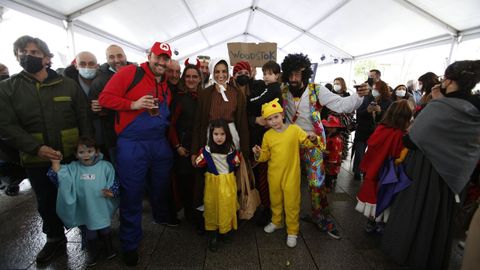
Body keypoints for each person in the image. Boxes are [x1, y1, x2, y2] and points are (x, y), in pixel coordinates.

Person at [0, 35, 92, 264]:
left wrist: (86, 145)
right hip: (35, 159)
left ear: (45, 57)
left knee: (78, 195)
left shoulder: (67, 84)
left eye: (33, 52)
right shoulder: (8, 88)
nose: (26, 57)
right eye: (22, 53)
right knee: (45, 200)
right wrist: (36, 148)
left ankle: (88, 236)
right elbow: (5, 125)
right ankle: (54, 239)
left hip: (71, 155)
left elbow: (83, 114)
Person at [381, 60, 480, 270]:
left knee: (416, 211)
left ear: (451, 81)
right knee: (440, 219)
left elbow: (412, 139)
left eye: (445, 78)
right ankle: (432, 256)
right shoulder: (473, 109)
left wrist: (433, 102)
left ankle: (407, 252)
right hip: (453, 176)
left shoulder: (441, 107)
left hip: (426, 171)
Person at [98, 41, 174, 266]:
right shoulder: (131, 72)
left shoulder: (166, 83)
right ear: (149, 55)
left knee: (161, 184)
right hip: (132, 144)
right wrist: (133, 104)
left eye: (165, 58)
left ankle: (160, 216)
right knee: (132, 194)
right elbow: (104, 99)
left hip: (158, 142)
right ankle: (130, 243)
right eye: (158, 57)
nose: (161, 62)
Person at [280, 53, 368, 239]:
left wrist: (358, 96)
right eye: (291, 75)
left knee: (316, 183)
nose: (294, 79)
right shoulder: (282, 91)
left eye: (298, 74)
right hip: (290, 143)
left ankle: (320, 217)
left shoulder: (317, 90)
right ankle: (285, 216)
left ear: (305, 73)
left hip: (312, 143)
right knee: (288, 182)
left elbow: (341, 104)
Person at [252, 98, 322, 248]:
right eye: (269, 119)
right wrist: (258, 153)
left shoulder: (294, 130)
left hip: (291, 175)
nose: (274, 121)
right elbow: (265, 156)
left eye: (276, 117)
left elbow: (308, 143)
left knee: (292, 203)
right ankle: (277, 222)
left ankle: (292, 230)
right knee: (275, 200)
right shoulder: (268, 136)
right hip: (274, 175)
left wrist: (313, 138)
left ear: (282, 115)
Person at [47, 136, 119, 267]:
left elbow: (113, 180)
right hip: (85, 207)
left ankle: (109, 248)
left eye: (89, 151)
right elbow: (62, 177)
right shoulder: (73, 168)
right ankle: (94, 252)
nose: (86, 155)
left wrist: (112, 191)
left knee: (104, 228)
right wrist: (55, 162)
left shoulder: (106, 166)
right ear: (76, 154)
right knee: (89, 230)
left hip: (101, 206)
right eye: (81, 152)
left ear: (96, 152)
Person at [355, 100, 412, 233]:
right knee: (385, 197)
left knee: (372, 197)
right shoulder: (400, 135)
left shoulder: (380, 128)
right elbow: (399, 155)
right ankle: (381, 224)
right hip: (389, 172)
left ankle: (370, 223)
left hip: (374, 169)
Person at [195, 119, 240, 252]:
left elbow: (236, 162)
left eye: (222, 134)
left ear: (227, 135)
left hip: (227, 183)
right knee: (212, 207)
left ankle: (224, 231)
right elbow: (199, 163)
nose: (219, 137)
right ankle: (213, 234)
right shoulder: (207, 150)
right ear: (211, 134)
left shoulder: (231, 149)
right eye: (216, 134)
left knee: (226, 207)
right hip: (213, 185)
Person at [247, 60, 283, 226]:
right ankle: (269, 208)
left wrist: (246, 100)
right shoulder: (270, 88)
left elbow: (255, 101)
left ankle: (269, 209)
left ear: (277, 75)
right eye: (264, 74)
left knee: (266, 174)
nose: (266, 77)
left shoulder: (273, 89)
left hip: (270, 139)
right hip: (269, 137)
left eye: (269, 73)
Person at [168, 62, 202, 225]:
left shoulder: (205, 96)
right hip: (184, 148)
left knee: (200, 182)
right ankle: (190, 215)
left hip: (201, 147)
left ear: (200, 78)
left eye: (194, 76)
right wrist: (177, 146)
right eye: (187, 76)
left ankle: (200, 213)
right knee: (186, 182)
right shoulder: (180, 99)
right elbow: (171, 124)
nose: (191, 79)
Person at [89, 44, 131, 165]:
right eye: (111, 57)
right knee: (121, 170)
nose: (117, 60)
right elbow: (92, 109)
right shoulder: (99, 81)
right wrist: (95, 109)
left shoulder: (137, 74)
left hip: (138, 134)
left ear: (125, 56)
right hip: (114, 137)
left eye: (119, 56)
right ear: (107, 60)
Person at [322, 115, 344, 191]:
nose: (327, 128)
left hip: (332, 159)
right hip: (331, 158)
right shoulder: (331, 135)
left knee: (329, 173)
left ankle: (328, 187)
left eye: (329, 127)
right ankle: (333, 179)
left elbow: (335, 152)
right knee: (332, 172)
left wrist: (331, 161)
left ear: (335, 128)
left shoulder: (336, 139)